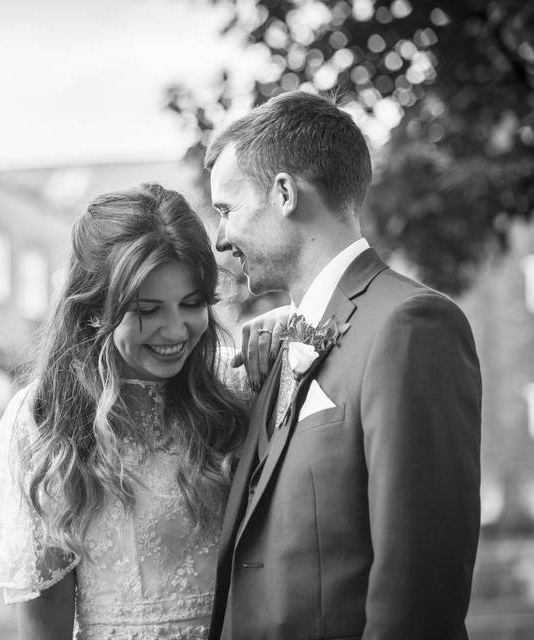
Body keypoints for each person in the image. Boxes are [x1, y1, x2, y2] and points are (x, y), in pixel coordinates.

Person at [205, 90, 482, 639]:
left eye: (226, 210)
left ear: (284, 193)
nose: (220, 238)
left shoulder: (410, 326)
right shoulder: (279, 343)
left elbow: (419, 586)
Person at [0, 183, 259, 639]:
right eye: (148, 309)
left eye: (192, 303)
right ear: (96, 308)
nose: (175, 329)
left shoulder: (235, 389)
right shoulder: (47, 415)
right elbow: (46, 621)